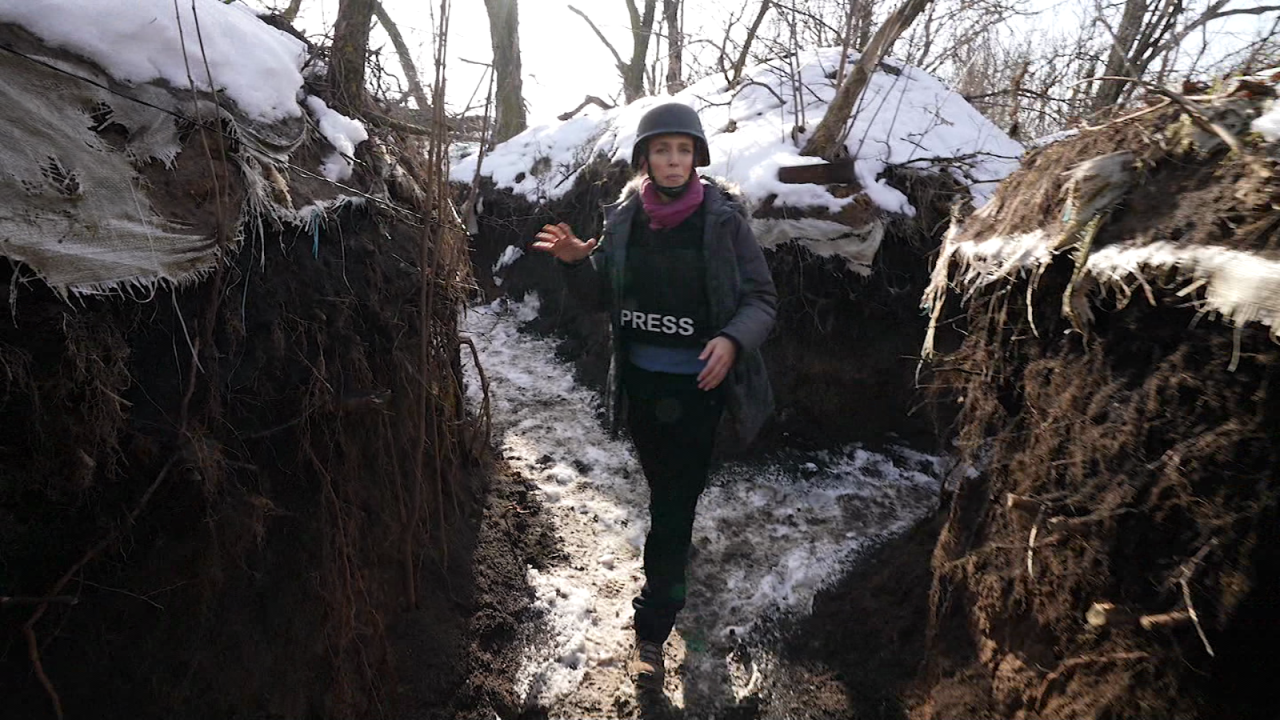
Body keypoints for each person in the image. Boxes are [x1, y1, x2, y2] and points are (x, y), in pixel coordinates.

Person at [531, 103, 777, 693]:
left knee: (670, 505)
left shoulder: (723, 222)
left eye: (683, 150)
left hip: (698, 390)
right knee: (667, 493)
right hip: (642, 389)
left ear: (697, 158)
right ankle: (672, 566)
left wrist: (731, 341)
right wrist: (573, 264)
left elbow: (761, 299)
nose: (673, 161)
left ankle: (652, 632)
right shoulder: (623, 220)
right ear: (645, 158)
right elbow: (598, 301)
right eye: (662, 150)